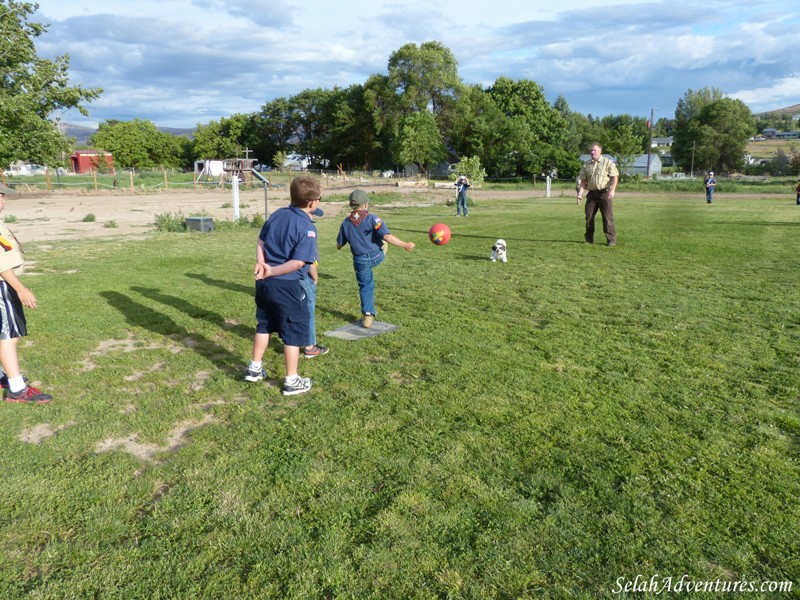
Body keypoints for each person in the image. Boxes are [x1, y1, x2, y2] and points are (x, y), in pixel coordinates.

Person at [244, 175, 321, 396]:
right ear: (313, 202)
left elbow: (260, 242)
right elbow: (298, 262)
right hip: (286, 286)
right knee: (292, 332)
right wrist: (271, 269)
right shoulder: (307, 227)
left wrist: (262, 264)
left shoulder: (278, 214)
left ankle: (255, 368)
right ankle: (291, 380)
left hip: (264, 284)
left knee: (264, 324)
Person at [0, 187, 51, 403]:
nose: (2, 200)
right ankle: (17, 390)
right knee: (9, 336)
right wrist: (20, 289)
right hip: (3, 286)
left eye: (2, 195)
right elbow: (2, 264)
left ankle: (3, 376)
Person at [336, 189, 415, 328]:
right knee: (383, 241)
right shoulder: (373, 218)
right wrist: (405, 245)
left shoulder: (345, 223)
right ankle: (380, 253)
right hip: (376, 256)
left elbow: (339, 244)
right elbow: (387, 236)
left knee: (365, 286)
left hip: (359, 260)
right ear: (366, 205)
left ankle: (367, 316)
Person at [577, 143, 619, 246]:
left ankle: (611, 240)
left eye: (594, 150)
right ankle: (589, 239)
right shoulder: (586, 165)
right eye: (591, 150)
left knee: (607, 217)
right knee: (589, 217)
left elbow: (615, 177)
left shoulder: (607, 162)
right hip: (591, 194)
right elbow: (583, 180)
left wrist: (612, 190)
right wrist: (580, 193)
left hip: (604, 193)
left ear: (600, 151)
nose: (592, 152)